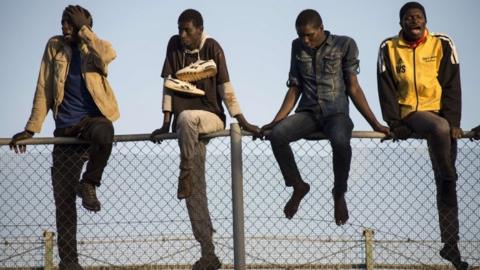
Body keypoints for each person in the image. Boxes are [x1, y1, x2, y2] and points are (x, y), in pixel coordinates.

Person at [9, 5, 119, 270]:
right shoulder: (55, 46)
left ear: (85, 25)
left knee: (106, 131)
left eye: (71, 23)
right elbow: (44, 87)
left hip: (90, 124)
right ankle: (70, 263)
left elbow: (108, 55)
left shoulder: (95, 46)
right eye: (63, 22)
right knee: (64, 202)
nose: (64, 27)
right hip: (65, 132)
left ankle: (89, 183)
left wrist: (85, 32)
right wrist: (31, 129)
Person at [150, 9, 259, 270]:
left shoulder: (212, 47)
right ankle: (208, 252)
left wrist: (241, 120)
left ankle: (184, 171)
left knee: (187, 117)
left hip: (209, 117)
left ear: (199, 28)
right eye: (179, 29)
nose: (182, 34)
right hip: (187, 130)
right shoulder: (173, 46)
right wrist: (165, 122)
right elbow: (168, 84)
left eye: (187, 30)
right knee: (195, 192)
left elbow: (225, 86)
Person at [260, 9, 389, 226]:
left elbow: (354, 88)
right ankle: (298, 185)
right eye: (301, 35)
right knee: (278, 134)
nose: (305, 39)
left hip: (336, 113)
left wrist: (375, 123)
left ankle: (339, 192)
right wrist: (275, 122)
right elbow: (294, 88)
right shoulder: (297, 46)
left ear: (321, 28)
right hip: (308, 113)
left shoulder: (345, 44)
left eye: (309, 34)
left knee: (340, 141)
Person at [377, 2, 468, 269]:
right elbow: (386, 88)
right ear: (401, 23)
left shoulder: (443, 43)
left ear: (426, 21)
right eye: (408, 18)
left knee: (446, 186)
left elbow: (452, 84)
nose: (414, 21)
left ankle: (451, 246)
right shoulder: (388, 48)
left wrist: (453, 122)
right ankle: (448, 172)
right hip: (411, 115)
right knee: (447, 171)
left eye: (418, 17)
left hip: (441, 116)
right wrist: (395, 123)